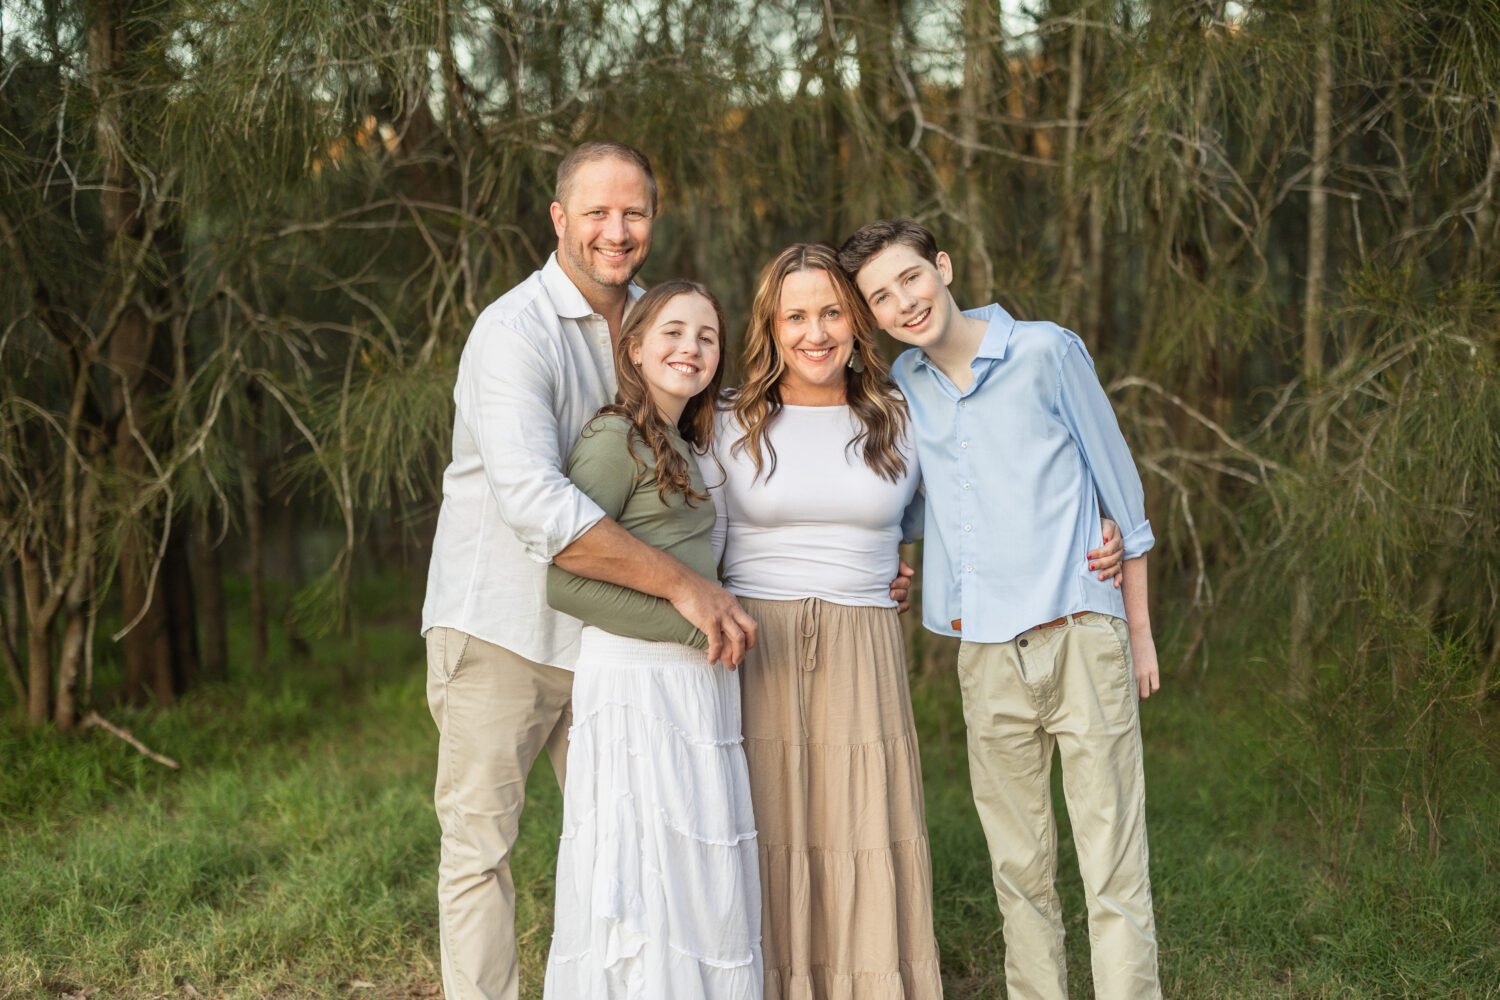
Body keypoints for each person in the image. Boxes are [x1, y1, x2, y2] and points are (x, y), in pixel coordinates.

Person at [421, 141, 757, 1000]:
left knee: (628, 847)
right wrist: (683, 587)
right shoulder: (512, 332)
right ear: (559, 219)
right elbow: (537, 502)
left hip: (616, 647)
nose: (617, 230)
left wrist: (865, 565)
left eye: (634, 213)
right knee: (480, 848)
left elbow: (716, 467)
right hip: (501, 628)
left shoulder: (661, 325)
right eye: (598, 213)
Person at [840, 219, 1163, 1000]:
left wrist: (1140, 634)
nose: (903, 302)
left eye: (910, 278)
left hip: (1082, 631)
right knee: (1018, 869)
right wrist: (894, 561)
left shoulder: (1047, 351)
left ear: (943, 268)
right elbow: (918, 506)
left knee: (1111, 862)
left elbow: (1124, 495)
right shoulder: (905, 388)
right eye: (880, 297)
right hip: (984, 654)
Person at [706, 242, 940, 999]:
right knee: (765, 829)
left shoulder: (903, 418)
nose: (816, 332)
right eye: (796, 315)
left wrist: (1102, 531)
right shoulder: (724, 420)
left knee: (861, 829)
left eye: (832, 311)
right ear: (770, 328)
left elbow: (980, 496)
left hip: (863, 641)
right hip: (752, 643)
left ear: (858, 321)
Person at [543, 281, 762, 999]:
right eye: (672, 332)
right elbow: (563, 582)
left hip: (696, 686)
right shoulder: (614, 438)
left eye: (706, 337)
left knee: (697, 874)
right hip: (637, 684)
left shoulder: (685, 442)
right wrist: (694, 619)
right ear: (633, 347)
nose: (690, 348)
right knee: (648, 876)